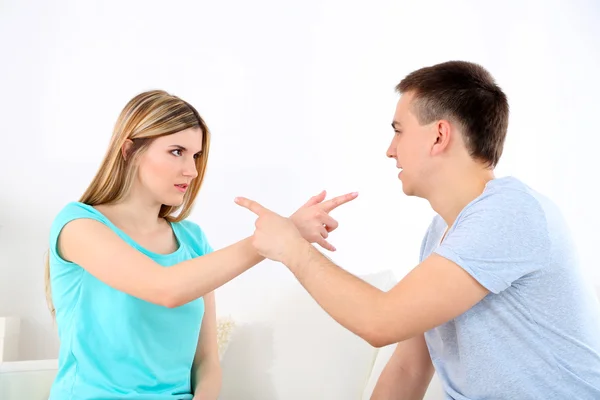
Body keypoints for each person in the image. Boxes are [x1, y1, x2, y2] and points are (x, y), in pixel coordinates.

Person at [234, 61, 600, 399]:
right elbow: (410, 367)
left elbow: (381, 321)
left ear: (439, 136)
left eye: (398, 131)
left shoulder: (510, 213)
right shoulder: (443, 229)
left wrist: (291, 247)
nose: (390, 150)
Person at [44, 89, 357, 400]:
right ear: (128, 151)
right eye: (177, 151)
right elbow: (165, 288)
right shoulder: (78, 226)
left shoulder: (192, 240)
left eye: (195, 156)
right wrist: (276, 237)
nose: (191, 171)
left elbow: (206, 362)